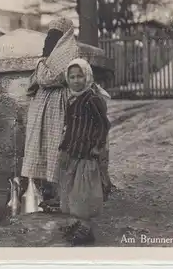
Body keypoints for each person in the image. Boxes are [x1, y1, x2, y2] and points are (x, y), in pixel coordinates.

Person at [21, 17, 80, 202]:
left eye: (56, 34)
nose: (51, 39)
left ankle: (59, 193)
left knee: (56, 147)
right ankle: (45, 190)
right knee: (40, 146)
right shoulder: (49, 55)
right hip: (41, 106)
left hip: (58, 105)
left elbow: (48, 78)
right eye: (50, 34)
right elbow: (32, 83)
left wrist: (40, 64)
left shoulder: (70, 53)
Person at [58, 58, 111, 246]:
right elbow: (70, 129)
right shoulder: (73, 101)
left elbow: (103, 125)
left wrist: (97, 146)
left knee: (84, 192)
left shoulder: (93, 99)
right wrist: (64, 148)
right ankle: (78, 224)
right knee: (71, 191)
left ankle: (85, 229)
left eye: (80, 76)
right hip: (73, 153)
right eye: (71, 77)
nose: (76, 80)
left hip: (87, 154)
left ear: (87, 76)